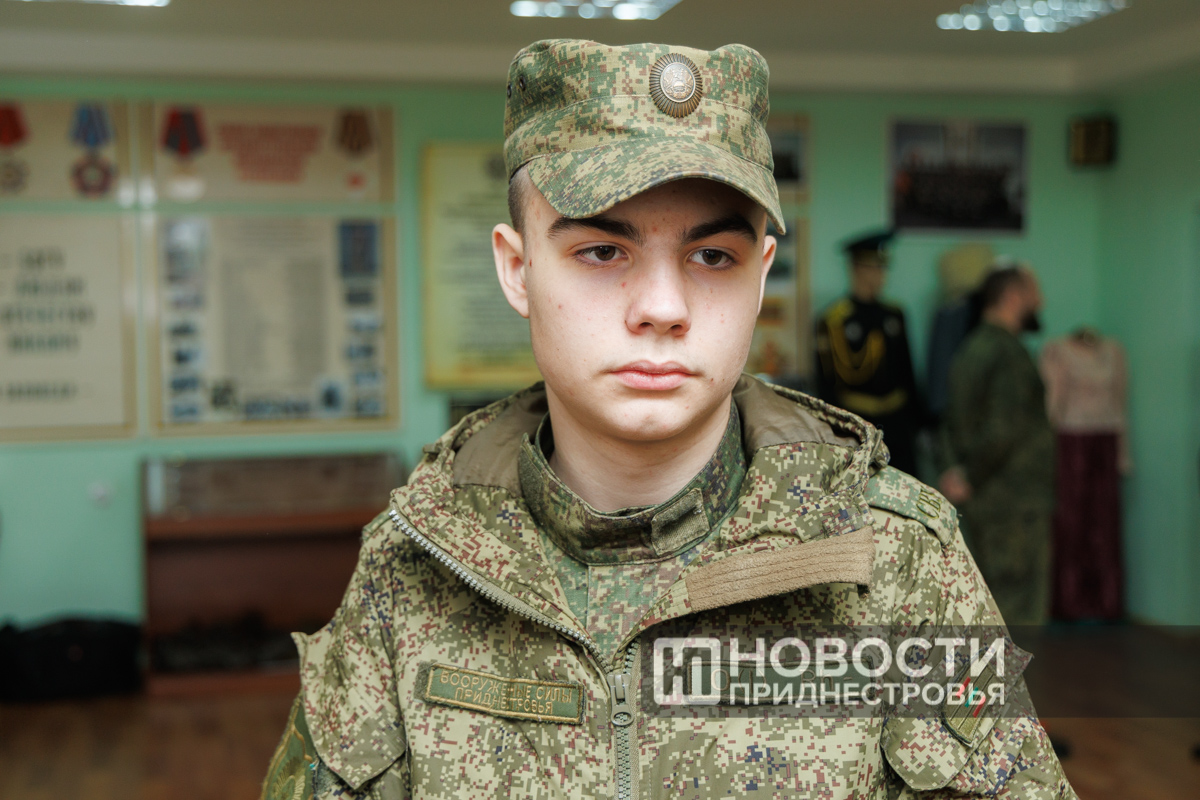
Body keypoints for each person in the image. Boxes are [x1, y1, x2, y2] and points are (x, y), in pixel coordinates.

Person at [261, 41, 1075, 799]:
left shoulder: (894, 556)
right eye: (601, 251)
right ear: (517, 268)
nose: (662, 306)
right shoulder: (415, 563)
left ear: (760, 276)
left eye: (712, 256)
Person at [940, 265, 1055, 627]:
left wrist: (956, 473)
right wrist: (970, 475)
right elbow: (1003, 428)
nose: (1040, 302)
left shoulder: (970, 348)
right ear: (1012, 297)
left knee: (985, 604)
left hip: (984, 501)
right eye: (1033, 293)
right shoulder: (1008, 353)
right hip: (1013, 502)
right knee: (1015, 610)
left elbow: (950, 420)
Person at [815, 230, 922, 474]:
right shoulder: (834, 320)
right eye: (873, 268)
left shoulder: (895, 315)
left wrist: (918, 422)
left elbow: (907, 373)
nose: (880, 275)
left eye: (882, 268)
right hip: (857, 423)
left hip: (897, 423)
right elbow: (826, 384)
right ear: (855, 269)